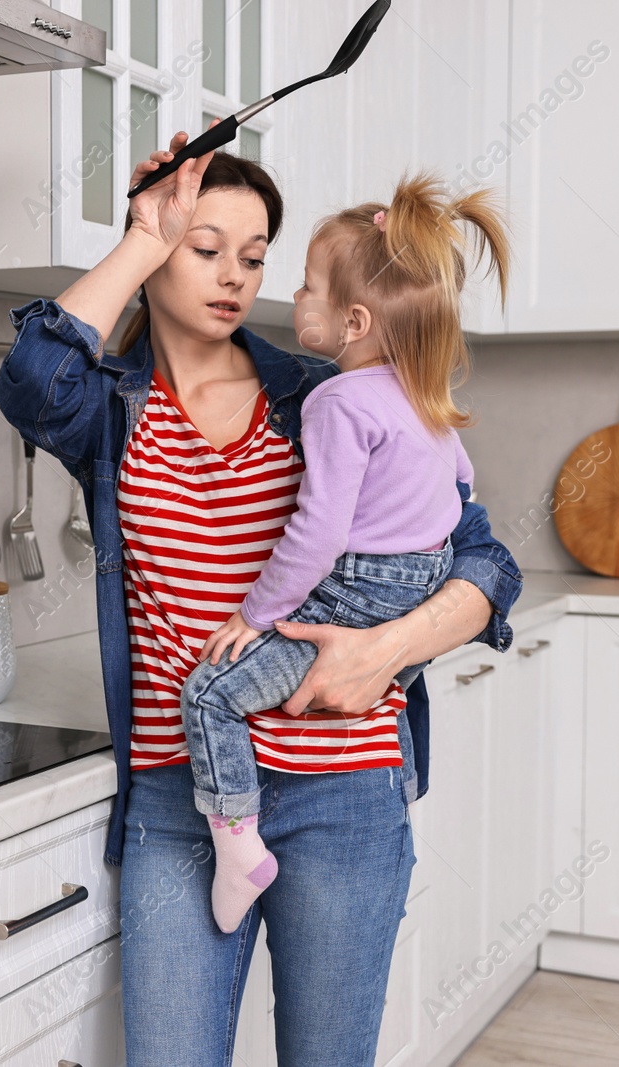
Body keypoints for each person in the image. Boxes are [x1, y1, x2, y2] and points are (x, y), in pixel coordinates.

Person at [0, 130, 522, 1066]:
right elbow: (32, 379)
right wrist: (140, 236)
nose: (234, 276)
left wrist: (387, 648)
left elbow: (483, 560)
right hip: (177, 800)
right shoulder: (112, 408)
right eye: (204, 249)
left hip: (345, 795)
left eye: (254, 257)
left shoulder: (321, 394)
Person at [180, 175, 512, 933]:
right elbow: (463, 484)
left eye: (305, 288)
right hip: (425, 578)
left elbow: (321, 533)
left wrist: (255, 612)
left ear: (353, 320)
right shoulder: (423, 398)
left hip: (360, 584)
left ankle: (238, 847)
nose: (293, 300)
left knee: (209, 692)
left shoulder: (335, 400)